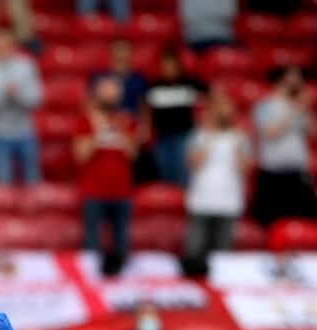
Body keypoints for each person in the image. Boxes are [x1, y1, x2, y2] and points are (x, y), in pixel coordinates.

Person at [74, 77, 138, 274]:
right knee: (91, 244)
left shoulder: (127, 121)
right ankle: (89, 283)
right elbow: (80, 155)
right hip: (94, 191)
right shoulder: (85, 121)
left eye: (114, 93)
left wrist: (122, 131)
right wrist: (98, 132)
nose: (110, 98)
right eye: (106, 93)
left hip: (121, 191)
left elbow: (133, 154)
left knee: (121, 244)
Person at [183, 90, 251, 273]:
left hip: (228, 203)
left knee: (223, 260)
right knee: (194, 254)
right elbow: (192, 163)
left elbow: (245, 169)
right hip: (201, 201)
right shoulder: (198, 135)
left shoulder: (240, 137)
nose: (223, 112)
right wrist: (209, 137)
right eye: (219, 107)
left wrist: (238, 147)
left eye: (227, 108)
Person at [250, 66, 316, 227]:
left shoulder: (300, 107)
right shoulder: (265, 106)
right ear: (281, 80)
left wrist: (306, 111)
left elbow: (314, 133)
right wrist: (294, 110)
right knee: (270, 222)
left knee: (306, 221)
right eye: (293, 76)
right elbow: (270, 132)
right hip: (273, 174)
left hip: (297, 173)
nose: (298, 80)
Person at [0, 27, 42, 186]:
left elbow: (36, 100)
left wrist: (16, 95)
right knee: (3, 184)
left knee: (32, 182)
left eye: (6, 45)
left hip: (25, 132)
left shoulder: (26, 66)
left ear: (13, 46)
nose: (2, 50)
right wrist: (5, 94)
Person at [142, 49, 204, 187]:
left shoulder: (189, 84)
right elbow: (146, 109)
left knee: (182, 175)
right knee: (164, 175)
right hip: (162, 138)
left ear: (178, 66)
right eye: (165, 66)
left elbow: (212, 97)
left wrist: (204, 121)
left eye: (172, 65)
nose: (168, 69)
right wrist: (145, 127)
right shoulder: (153, 87)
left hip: (184, 137)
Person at [89, 40, 147, 116]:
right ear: (111, 52)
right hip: (106, 123)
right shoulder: (99, 77)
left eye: (125, 50)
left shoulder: (139, 79)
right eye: (118, 50)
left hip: (131, 123)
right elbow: (90, 104)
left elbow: (143, 107)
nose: (121, 54)